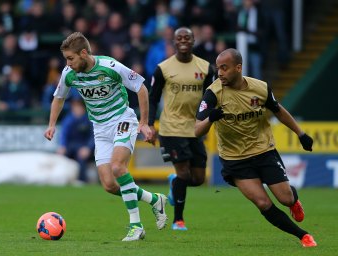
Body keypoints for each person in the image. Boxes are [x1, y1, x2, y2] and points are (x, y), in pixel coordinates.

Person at [44, 32, 168, 242]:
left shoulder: (110, 67)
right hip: (100, 129)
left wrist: (145, 123)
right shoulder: (69, 74)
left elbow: (141, 88)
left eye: (71, 58)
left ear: (83, 53)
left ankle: (135, 226)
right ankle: (155, 200)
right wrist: (51, 125)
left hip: (122, 119)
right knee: (109, 185)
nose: (68, 63)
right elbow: (58, 98)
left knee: (118, 167)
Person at [194, 48, 317, 247]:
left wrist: (300, 134)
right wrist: (210, 119)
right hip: (235, 159)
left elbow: (278, 111)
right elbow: (197, 130)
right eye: (218, 69)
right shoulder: (213, 93)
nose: (220, 73)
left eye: (224, 68)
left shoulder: (260, 88)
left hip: (264, 151)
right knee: (262, 202)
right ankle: (303, 236)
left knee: (285, 198)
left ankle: (293, 201)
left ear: (238, 67)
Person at [148, 27, 214, 231]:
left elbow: (209, 99)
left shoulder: (205, 68)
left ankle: (174, 183)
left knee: (198, 179)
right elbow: (153, 98)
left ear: (194, 40)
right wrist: (149, 124)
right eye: (179, 38)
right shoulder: (163, 68)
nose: (183, 41)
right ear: (174, 42)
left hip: (195, 129)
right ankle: (178, 220)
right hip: (171, 129)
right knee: (184, 174)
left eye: (187, 37)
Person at [57, 96, 95, 183]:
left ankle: (82, 180)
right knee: (62, 156)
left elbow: (93, 136)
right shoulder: (68, 119)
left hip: (83, 146)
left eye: (78, 106)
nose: (76, 108)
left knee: (81, 156)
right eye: (74, 106)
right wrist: (62, 146)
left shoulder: (89, 119)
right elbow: (63, 134)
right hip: (71, 146)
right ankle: (64, 179)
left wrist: (88, 148)